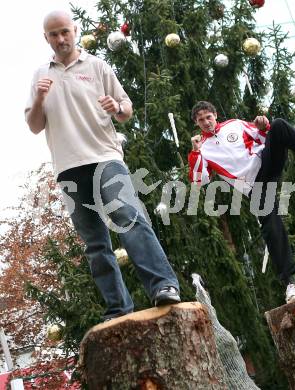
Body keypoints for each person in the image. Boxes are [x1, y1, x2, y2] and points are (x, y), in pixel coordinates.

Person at [25, 10, 180, 321]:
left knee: (129, 218)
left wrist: (117, 106)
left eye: (65, 32)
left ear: (74, 30)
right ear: (46, 38)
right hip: (68, 167)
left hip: (105, 157)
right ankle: (118, 308)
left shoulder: (96, 66)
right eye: (54, 34)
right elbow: (34, 125)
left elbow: (126, 110)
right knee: (95, 243)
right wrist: (40, 99)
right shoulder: (42, 74)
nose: (61, 39)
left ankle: (163, 285)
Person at [188, 101, 295, 303]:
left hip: (266, 165)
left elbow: (263, 137)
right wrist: (196, 151)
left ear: (215, 115)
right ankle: (290, 284)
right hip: (254, 187)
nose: (206, 122)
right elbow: (199, 180)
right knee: (271, 226)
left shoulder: (234, 124)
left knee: (278, 125)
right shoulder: (203, 149)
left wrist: (263, 126)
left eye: (208, 117)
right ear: (197, 123)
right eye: (201, 120)